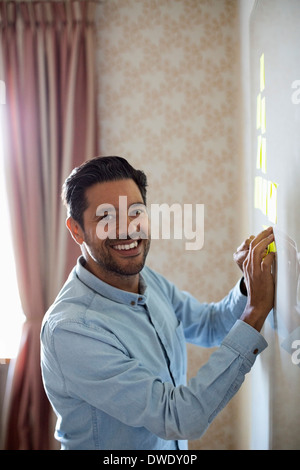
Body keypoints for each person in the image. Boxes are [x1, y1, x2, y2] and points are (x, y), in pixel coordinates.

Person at [40, 156, 275, 450]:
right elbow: (177, 417)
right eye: (106, 217)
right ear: (76, 230)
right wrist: (254, 314)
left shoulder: (144, 277)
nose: (127, 229)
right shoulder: (71, 330)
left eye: (135, 212)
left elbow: (209, 325)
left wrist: (247, 285)